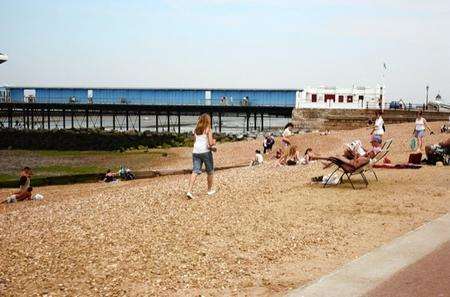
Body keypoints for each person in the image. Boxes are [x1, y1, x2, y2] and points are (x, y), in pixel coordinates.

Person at [186, 114, 216, 199]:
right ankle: (209, 190)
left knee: (195, 171)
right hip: (205, 152)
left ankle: (189, 191)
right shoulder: (208, 129)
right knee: (210, 171)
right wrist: (214, 142)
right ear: (207, 120)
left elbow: (195, 141)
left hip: (195, 151)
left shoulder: (195, 130)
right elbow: (210, 143)